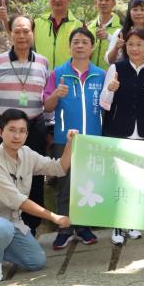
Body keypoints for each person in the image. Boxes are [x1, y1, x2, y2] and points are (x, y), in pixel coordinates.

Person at [0, 109, 76, 283]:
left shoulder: (27, 153)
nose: (17, 136)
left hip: (10, 221)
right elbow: (18, 201)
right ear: (1, 132)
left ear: (27, 134)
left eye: (22, 131)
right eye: (12, 130)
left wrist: (69, 144)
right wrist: (54, 217)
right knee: (1, 229)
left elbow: (58, 168)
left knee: (36, 262)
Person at [0, 15, 50, 235]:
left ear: (32, 33)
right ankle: (2, 226)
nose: (21, 35)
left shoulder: (42, 62)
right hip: (5, 128)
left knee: (35, 176)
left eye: (26, 31)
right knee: (1, 175)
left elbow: (46, 96)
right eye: (17, 31)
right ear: (10, 33)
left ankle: (31, 227)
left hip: (34, 126)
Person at [100, 28, 144, 245]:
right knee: (119, 180)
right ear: (124, 47)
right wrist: (111, 88)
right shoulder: (115, 68)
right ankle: (117, 225)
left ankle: (132, 222)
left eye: (139, 44)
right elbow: (103, 102)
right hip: (118, 131)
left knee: (137, 181)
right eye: (130, 44)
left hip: (143, 132)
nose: (134, 48)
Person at [43, 28, 105, 249]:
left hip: (93, 139)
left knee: (89, 184)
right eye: (76, 42)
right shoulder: (58, 73)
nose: (80, 45)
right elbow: (47, 106)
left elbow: (107, 106)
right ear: (70, 46)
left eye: (84, 42)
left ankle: (83, 226)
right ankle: (64, 228)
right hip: (64, 139)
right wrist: (55, 95)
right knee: (65, 184)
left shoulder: (101, 74)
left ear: (92, 47)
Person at [0, 0, 85, 68]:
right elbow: (16, 36)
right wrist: (4, 20)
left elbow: (86, 54)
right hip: (41, 75)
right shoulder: (37, 22)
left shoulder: (79, 25)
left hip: (68, 78)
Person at [105, 0, 144, 69]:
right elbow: (109, 61)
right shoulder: (120, 33)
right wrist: (116, 48)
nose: (139, 13)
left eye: (142, 10)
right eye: (135, 10)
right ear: (129, 12)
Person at [87, 0, 121, 70]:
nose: (103, 3)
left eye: (107, 0)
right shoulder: (88, 28)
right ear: (96, 2)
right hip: (90, 76)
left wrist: (108, 37)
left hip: (111, 77)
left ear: (114, 3)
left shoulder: (121, 30)